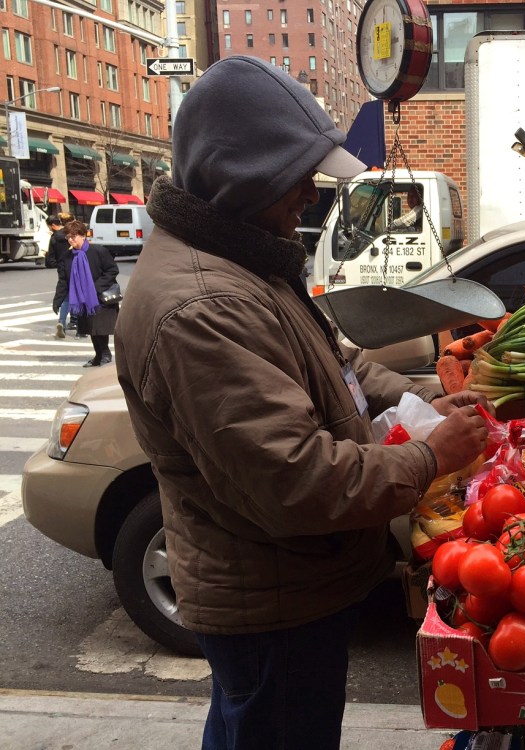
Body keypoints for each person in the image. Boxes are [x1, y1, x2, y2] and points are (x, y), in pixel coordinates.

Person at [113, 56, 489, 750]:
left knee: (246, 723)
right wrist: (434, 455)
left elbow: (340, 372)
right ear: (243, 175)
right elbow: (297, 481)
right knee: (275, 725)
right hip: (273, 600)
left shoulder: (249, 258)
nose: (308, 198)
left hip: (290, 586)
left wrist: (433, 396)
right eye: (296, 178)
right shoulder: (201, 305)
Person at [53, 220, 119, 367]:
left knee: (99, 327)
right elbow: (63, 280)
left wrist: (95, 288)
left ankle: (105, 354)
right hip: (82, 297)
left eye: (73, 236)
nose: (70, 239)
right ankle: (99, 354)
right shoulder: (67, 257)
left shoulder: (98, 251)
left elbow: (112, 270)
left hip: (100, 296)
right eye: (68, 237)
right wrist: (57, 300)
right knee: (90, 328)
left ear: (83, 235)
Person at [45, 214, 71, 338]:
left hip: (62, 268)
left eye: (49, 227)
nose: (50, 229)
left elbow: (50, 260)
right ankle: (80, 325)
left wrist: (59, 263)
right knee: (80, 294)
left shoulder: (54, 238)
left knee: (66, 296)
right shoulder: (69, 234)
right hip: (75, 266)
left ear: (53, 225)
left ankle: (61, 321)